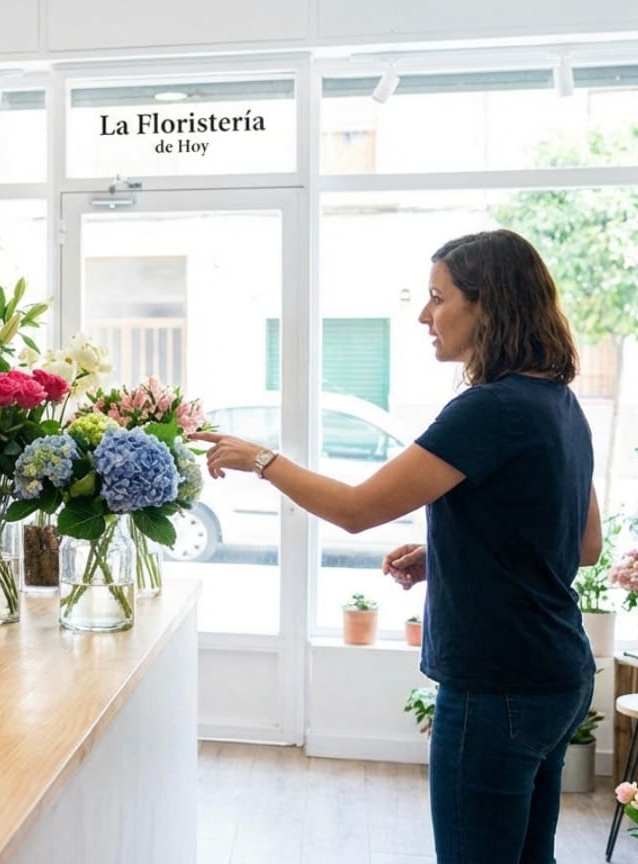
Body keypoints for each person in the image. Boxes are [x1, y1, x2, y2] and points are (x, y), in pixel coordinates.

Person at [193, 230, 602, 864]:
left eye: (437, 298)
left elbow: (357, 511)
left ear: (486, 304)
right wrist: (450, 553)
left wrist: (262, 458)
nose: (423, 316)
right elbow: (583, 544)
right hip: (557, 674)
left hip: (497, 685)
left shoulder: (486, 409)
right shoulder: (557, 401)